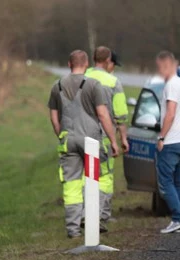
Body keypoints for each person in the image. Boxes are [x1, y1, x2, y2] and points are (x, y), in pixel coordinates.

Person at [48, 50, 118, 239]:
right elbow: (103, 115)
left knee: (71, 184)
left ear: (69, 64)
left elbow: (54, 117)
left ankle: (73, 229)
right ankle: (91, 218)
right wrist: (113, 140)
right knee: (93, 180)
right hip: (91, 142)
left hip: (68, 140)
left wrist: (61, 135)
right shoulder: (94, 85)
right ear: (86, 64)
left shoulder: (57, 86)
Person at [85, 47, 130, 222]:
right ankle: (102, 214)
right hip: (103, 135)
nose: (114, 68)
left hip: (81, 133)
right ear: (107, 60)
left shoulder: (83, 76)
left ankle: (85, 213)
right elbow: (120, 115)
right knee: (104, 174)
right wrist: (122, 138)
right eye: (113, 64)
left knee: (87, 174)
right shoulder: (113, 82)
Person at [155, 50, 180, 234]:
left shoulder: (171, 86)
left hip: (172, 142)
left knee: (165, 182)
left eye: (159, 67)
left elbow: (170, 113)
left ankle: (178, 218)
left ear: (166, 65)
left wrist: (161, 137)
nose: (159, 71)